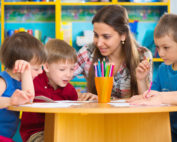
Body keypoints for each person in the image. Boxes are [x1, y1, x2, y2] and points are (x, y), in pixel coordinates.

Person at [74, 5, 152, 100]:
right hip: (98, 114)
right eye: (96, 35)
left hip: (130, 114)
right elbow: (58, 74)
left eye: (106, 36)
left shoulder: (143, 55)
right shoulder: (87, 53)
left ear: (123, 35)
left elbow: (147, 100)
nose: (99, 43)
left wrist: (141, 80)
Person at [128, 13, 177, 142]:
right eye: (158, 47)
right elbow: (149, 98)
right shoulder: (162, 69)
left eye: (166, 47)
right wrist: (141, 79)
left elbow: (159, 98)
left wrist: (161, 97)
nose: (160, 53)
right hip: (167, 132)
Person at [20, 39, 78, 142]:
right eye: (62, 69)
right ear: (46, 66)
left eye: (72, 69)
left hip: (63, 130)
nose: (68, 74)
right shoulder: (33, 83)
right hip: (37, 132)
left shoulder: (70, 91)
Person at [0, 32, 47, 142]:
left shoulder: (22, 81)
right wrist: (10, 101)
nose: (40, 72)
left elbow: (29, 99)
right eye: (36, 69)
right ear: (18, 66)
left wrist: (26, 72)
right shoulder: (3, 81)